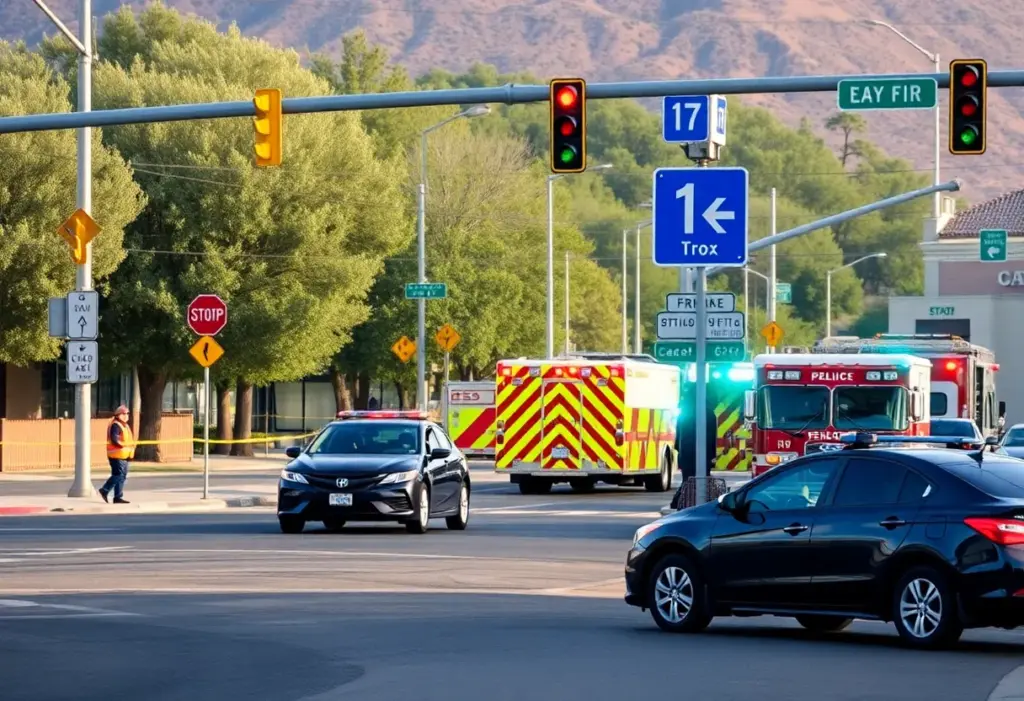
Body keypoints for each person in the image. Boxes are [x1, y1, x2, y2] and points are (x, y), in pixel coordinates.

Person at [99, 404, 135, 504]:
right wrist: (122, 446)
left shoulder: (125, 425)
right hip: (117, 455)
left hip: (125, 456)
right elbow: (115, 439)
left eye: (127, 413)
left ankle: (118, 497)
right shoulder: (116, 425)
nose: (126, 415)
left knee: (122, 476)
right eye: (124, 413)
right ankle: (105, 490)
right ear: (118, 415)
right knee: (118, 474)